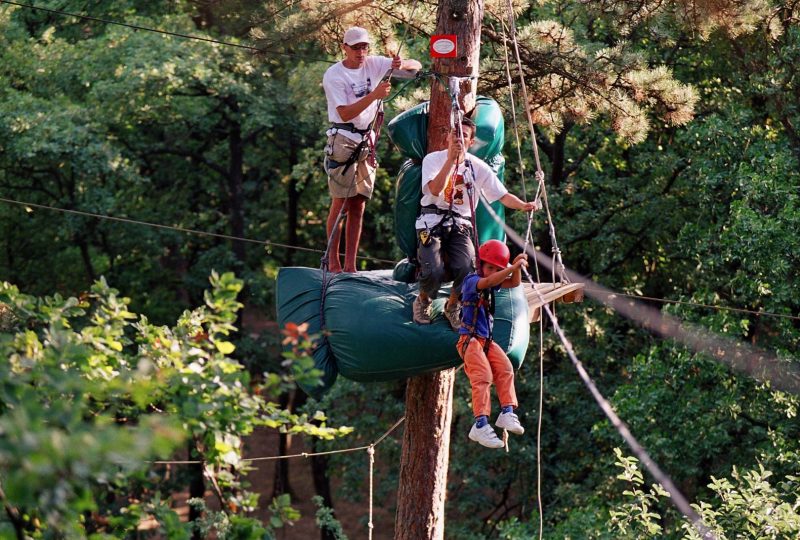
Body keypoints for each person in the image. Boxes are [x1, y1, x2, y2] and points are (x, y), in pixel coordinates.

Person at [412, 116, 539, 328]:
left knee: (467, 265)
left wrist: (522, 205)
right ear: (448, 138)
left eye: (464, 136)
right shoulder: (432, 160)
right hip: (431, 221)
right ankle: (423, 299)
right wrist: (450, 162)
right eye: (455, 134)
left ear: (471, 142)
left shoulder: (477, 167)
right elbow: (434, 190)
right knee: (432, 268)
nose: (459, 140)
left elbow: (502, 195)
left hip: (460, 223)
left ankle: (453, 305)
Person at [322, 26, 421, 273]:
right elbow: (344, 112)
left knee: (359, 205)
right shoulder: (334, 75)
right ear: (344, 48)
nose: (361, 51)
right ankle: (333, 263)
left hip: (367, 141)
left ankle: (350, 265)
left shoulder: (374, 63)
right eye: (355, 47)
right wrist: (375, 94)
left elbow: (415, 66)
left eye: (364, 46)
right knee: (341, 203)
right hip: (343, 139)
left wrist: (402, 62)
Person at [458, 240, 527, 448]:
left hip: (484, 341)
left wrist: (516, 266)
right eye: (489, 267)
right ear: (479, 264)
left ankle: (507, 412)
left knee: (506, 368)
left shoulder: (493, 278)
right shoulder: (471, 281)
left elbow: (514, 283)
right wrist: (510, 268)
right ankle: (480, 424)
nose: (492, 273)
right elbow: (487, 283)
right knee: (483, 376)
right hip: (469, 340)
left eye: (497, 269)